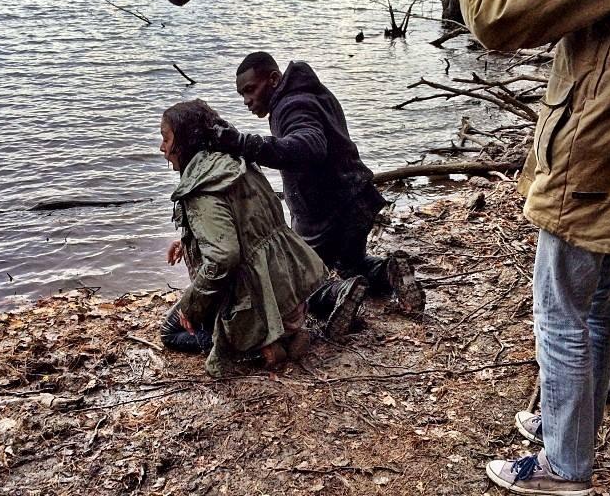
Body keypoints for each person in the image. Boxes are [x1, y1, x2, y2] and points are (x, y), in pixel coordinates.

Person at [458, 0, 610, 493]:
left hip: (591, 167)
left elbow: (498, 20)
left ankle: (564, 466)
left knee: (560, 317)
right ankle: (569, 430)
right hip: (608, 166)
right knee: (597, 313)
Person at [211, 52, 426, 328]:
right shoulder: (309, 94)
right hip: (356, 198)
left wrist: (244, 144)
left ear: (274, 79)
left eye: (251, 90)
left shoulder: (293, 105)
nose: (247, 101)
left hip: (330, 213)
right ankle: (388, 272)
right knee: (351, 264)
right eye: (242, 94)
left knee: (297, 285)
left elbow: (310, 145)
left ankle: (339, 297)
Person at [158, 99, 328, 377]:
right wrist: (188, 242)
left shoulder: (202, 188)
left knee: (171, 331)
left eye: (166, 139)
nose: (162, 148)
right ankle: (289, 332)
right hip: (289, 293)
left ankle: (258, 348)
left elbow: (224, 258)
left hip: (258, 303)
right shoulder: (237, 163)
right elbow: (247, 227)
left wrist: (192, 306)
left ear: (185, 140)